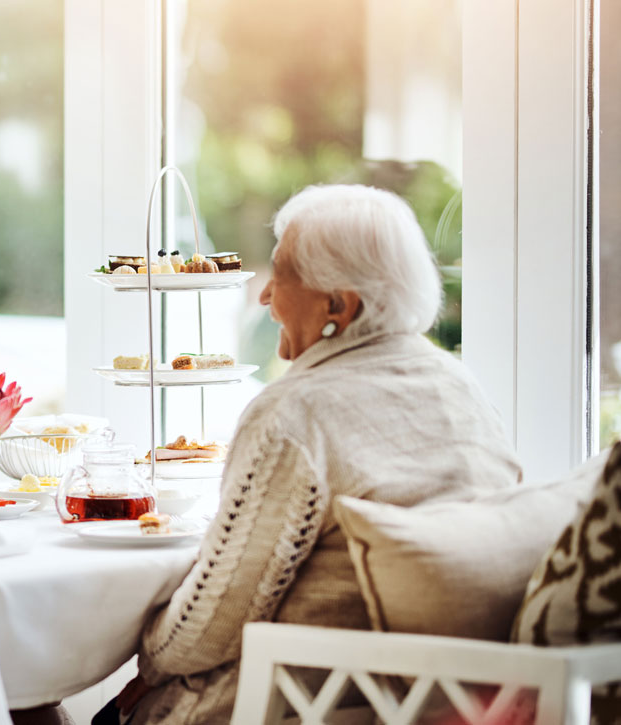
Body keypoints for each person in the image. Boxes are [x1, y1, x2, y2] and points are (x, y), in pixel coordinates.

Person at [99, 185, 522, 723]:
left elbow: (210, 626)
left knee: (26, 701)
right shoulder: (460, 387)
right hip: (430, 704)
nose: (264, 296)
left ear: (337, 305)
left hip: (287, 705)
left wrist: (144, 663)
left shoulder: (294, 411)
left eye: (282, 274)